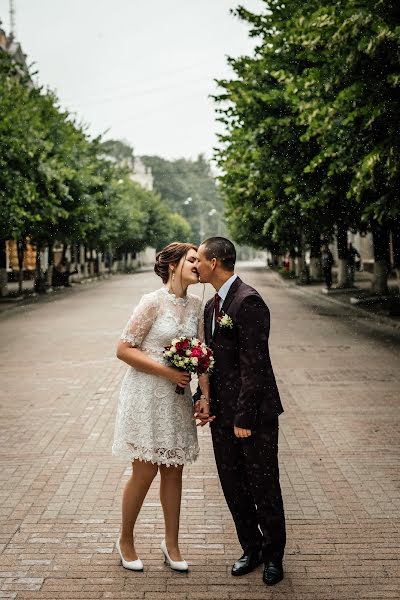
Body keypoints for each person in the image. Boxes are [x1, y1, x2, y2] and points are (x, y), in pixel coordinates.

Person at [113, 242, 211, 572]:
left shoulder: (198, 306)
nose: (198, 265)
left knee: (174, 469)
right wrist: (166, 370)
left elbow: (201, 356)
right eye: (192, 260)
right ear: (173, 265)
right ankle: (125, 540)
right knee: (144, 469)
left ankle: (172, 544)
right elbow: (124, 349)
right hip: (145, 394)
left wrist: (204, 396)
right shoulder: (152, 302)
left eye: (199, 260)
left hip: (177, 398)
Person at [195, 237, 286, 586]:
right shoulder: (210, 307)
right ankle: (251, 547)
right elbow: (210, 362)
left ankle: (274, 556)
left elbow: (256, 365)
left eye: (200, 259)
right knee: (233, 485)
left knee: (264, 486)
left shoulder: (248, 301)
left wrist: (245, 418)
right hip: (221, 414)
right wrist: (200, 398)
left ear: (215, 262)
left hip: (254, 417)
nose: (196, 266)